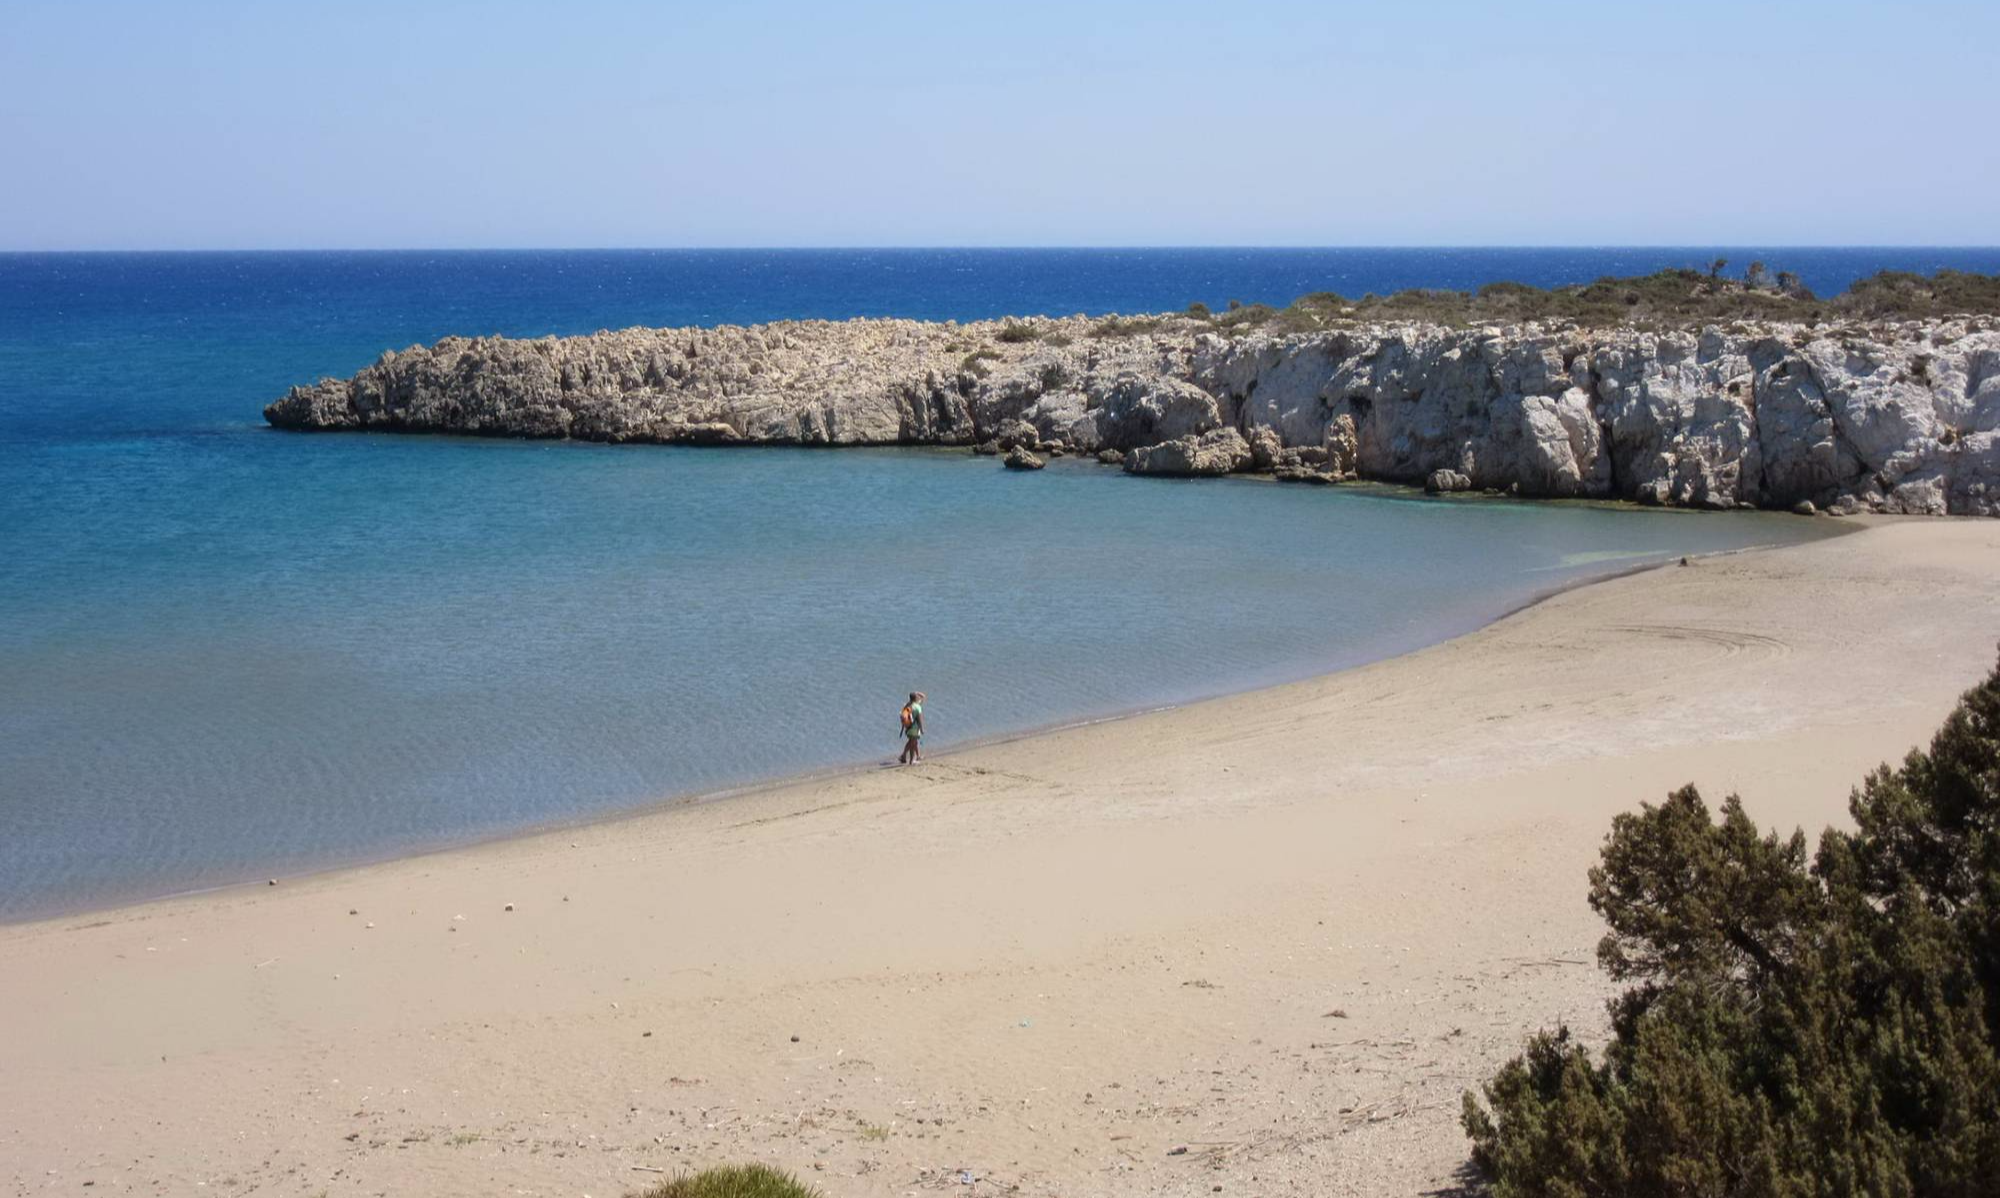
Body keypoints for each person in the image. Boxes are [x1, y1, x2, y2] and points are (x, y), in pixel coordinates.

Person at [898, 691, 926, 765]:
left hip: (908, 727)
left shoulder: (907, 705)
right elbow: (919, 719)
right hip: (914, 728)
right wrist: (922, 729)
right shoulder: (917, 707)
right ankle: (911, 760)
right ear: (916, 698)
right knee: (912, 744)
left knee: (911, 742)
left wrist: (902, 728)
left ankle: (904, 756)